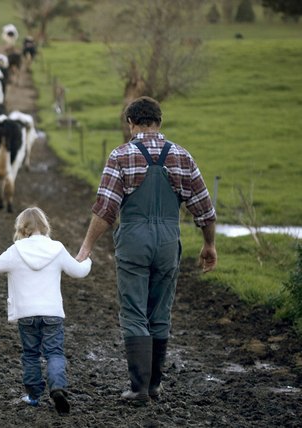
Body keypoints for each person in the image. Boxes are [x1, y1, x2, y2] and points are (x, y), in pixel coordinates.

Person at [75, 96, 218, 406]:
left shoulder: (121, 156)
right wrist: (209, 244)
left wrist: (86, 246)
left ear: (131, 124)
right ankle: (154, 385)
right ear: (159, 123)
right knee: (160, 312)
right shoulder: (181, 156)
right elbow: (205, 209)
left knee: (134, 311)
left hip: (134, 241)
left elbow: (105, 210)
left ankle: (138, 388)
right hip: (168, 241)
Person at [0, 207, 91, 415]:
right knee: (54, 353)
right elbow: (78, 272)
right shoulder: (57, 248)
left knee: (31, 354)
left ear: (22, 228)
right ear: (44, 227)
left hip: (26, 315)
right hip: (52, 313)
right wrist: (87, 260)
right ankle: (58, 388)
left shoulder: (16, 250)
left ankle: (33, 396)